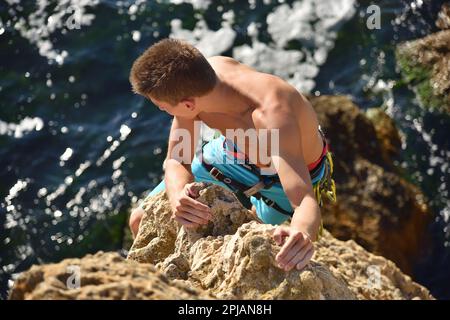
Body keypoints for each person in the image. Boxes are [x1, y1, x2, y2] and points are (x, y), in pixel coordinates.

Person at [128, 38, 336, 272]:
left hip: (286, 176)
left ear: (187, 105)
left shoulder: (272, 114)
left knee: (254, 256)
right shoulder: (196, 82)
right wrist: (178, 197)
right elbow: (178, 158)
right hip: (233, 153)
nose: (161, 110)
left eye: (162, 106)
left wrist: (301, 232)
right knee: (140, 220)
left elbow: (304, 200)